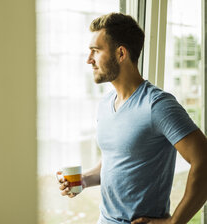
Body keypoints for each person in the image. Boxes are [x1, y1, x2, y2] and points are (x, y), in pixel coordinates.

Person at [57, 13, 207, 224]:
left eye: (96, 51)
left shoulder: (158, 105)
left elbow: (204, 160)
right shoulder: (105, 104)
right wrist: (83, 180)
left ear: (121, 53)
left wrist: (174, 223)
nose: (89, 59)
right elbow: (116, 160)